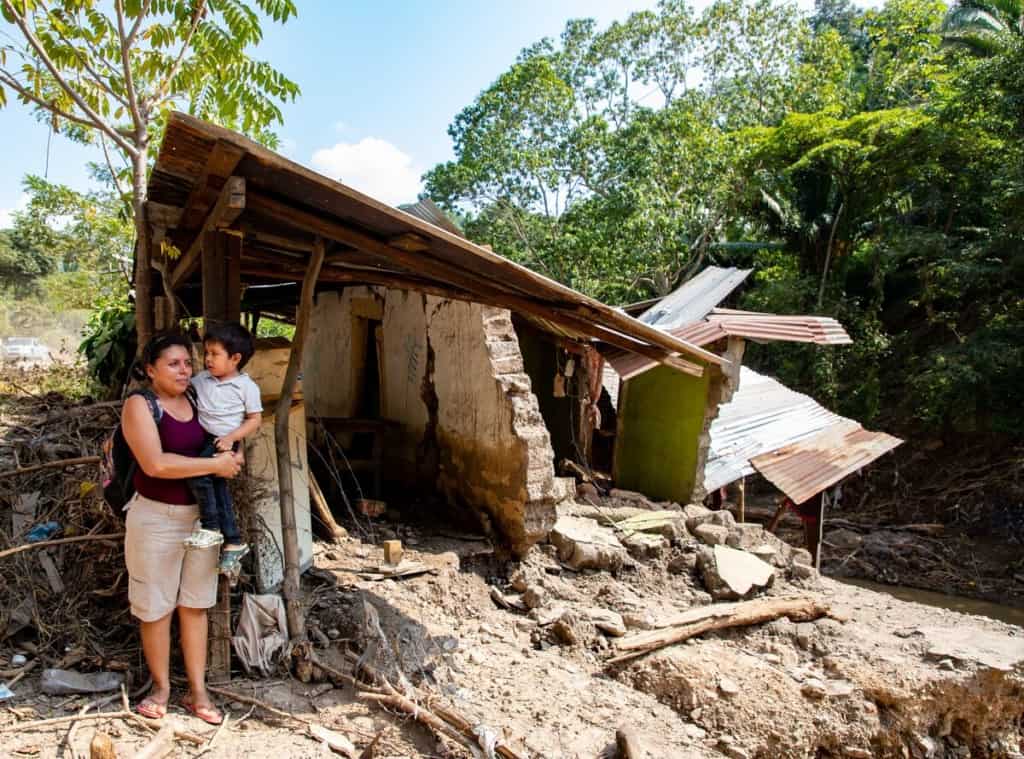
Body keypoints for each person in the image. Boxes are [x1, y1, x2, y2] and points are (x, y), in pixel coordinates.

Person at [121, 332, 243, 724]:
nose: (184, 370)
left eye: (188, 363)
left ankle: (198, 692)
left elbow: (223, 436)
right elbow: (156, 464)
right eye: (173, 364)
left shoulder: (197, 399)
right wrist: (213, 467)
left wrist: (231, 453)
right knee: (155, 608)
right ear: (150, 369)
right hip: (155, 518)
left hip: (202, 519)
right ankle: (161, 689)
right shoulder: (140, 406)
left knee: (195, 605)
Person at [182, 323, 262, 575]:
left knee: (197, 474)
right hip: (207, 439)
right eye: (206, 353)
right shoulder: (202, 379)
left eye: (214, 354)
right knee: (219, 489)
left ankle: (211, 527)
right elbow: (184, 390)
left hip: (225, 440)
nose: (207, 359)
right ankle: (234, 540)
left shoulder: (246, 387)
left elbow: (254, 419)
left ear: (235, 358)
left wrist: (231, 439)